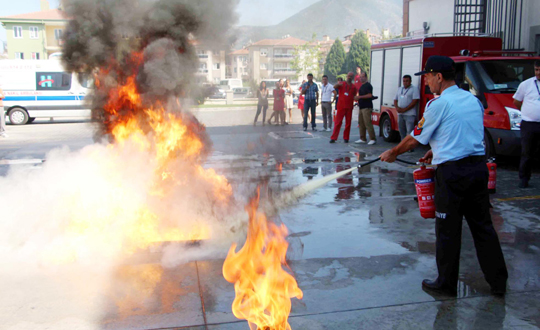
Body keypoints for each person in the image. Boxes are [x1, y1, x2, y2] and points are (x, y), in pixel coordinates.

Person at [380, 55, 508, 297]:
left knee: (448, 229)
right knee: (483, 228)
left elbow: (415, 137)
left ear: (439, 77)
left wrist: (394, 152)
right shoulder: (473, 100)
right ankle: (498, 282)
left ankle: (446, 284)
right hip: (477, 170)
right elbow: (461, 130)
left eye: (428, 76)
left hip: (453, 176)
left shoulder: (437, 104)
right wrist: (435, 149)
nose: (426, 81)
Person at [513, 60, 540, 188]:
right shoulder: (526, 84)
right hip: (529, 123)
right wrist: (527, 111)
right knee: (527, 152)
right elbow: (517, 101)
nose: (538, 73)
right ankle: (524, 178)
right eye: (536, 70)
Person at [330, 72, 357, 143]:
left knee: (348, 123)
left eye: (351, 76)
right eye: (348, 76)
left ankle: (346, 138)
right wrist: (338, 84)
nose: (349, 77)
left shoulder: (354, 87)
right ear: (347, 76)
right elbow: (334, 87)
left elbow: (354, 95)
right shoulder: (342, 84)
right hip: (341, 107)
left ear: (352, 77)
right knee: (338, 122)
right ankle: (333, 137)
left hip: (349, 107)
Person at [394, 74, 420, 148]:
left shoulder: (414, 89)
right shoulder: (400, 89)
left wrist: (404, 109)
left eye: (407, 81)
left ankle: (409, 147)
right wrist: (397, 108)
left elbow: (415, 101)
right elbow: (395, 100)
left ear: (410, 81)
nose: (405, 82)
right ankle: (402, 146)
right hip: (400, 114)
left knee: (409, 131)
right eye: (404, 81)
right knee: (401, 131)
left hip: (409, 114)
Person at [355, 72, 376, 145]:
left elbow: (370, 95)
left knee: (367, 123)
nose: (361, 78)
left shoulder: (368, 85)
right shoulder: (362, 86)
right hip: (361, 106)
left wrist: (360, 97)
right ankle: (362, 138)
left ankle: (372, 138)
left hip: (367, 107)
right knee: (361, 123)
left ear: (366, 77)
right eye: (360, 77)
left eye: (363, 77)